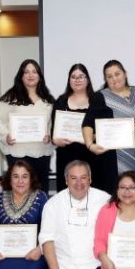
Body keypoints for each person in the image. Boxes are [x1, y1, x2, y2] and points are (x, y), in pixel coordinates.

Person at [84, 60, 135, 192]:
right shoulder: (100, 96)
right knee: (120, 195)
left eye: (117, 74)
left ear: (125, 74)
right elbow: (87, 124)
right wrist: (90, 145)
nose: (114, 78)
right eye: (109, 76)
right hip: (117, 160)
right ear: (106, 79)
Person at [0, 59, 55, 192]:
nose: (31, 75)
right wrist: (6, 136)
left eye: (34, 71)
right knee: (18, 193)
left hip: (41, 154)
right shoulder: (9, 99)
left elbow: (53, 125)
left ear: (40, 76)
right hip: (17, 154)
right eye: (26, 72)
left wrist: (50, 136)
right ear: (21, 76)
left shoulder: (48, 101)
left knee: (39, 193)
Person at [52, 63, 116, 196]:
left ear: (87, 79)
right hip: (67, 157)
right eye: (73, 77)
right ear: (69, 80)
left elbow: (105, 130)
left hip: (93, 158)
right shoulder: (61, 101)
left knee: (95, 196)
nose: (77, 79)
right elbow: (54, 133)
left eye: (81, 76)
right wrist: (56, 140)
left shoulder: (97, 100)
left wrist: (90, 138)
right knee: (68, 197)